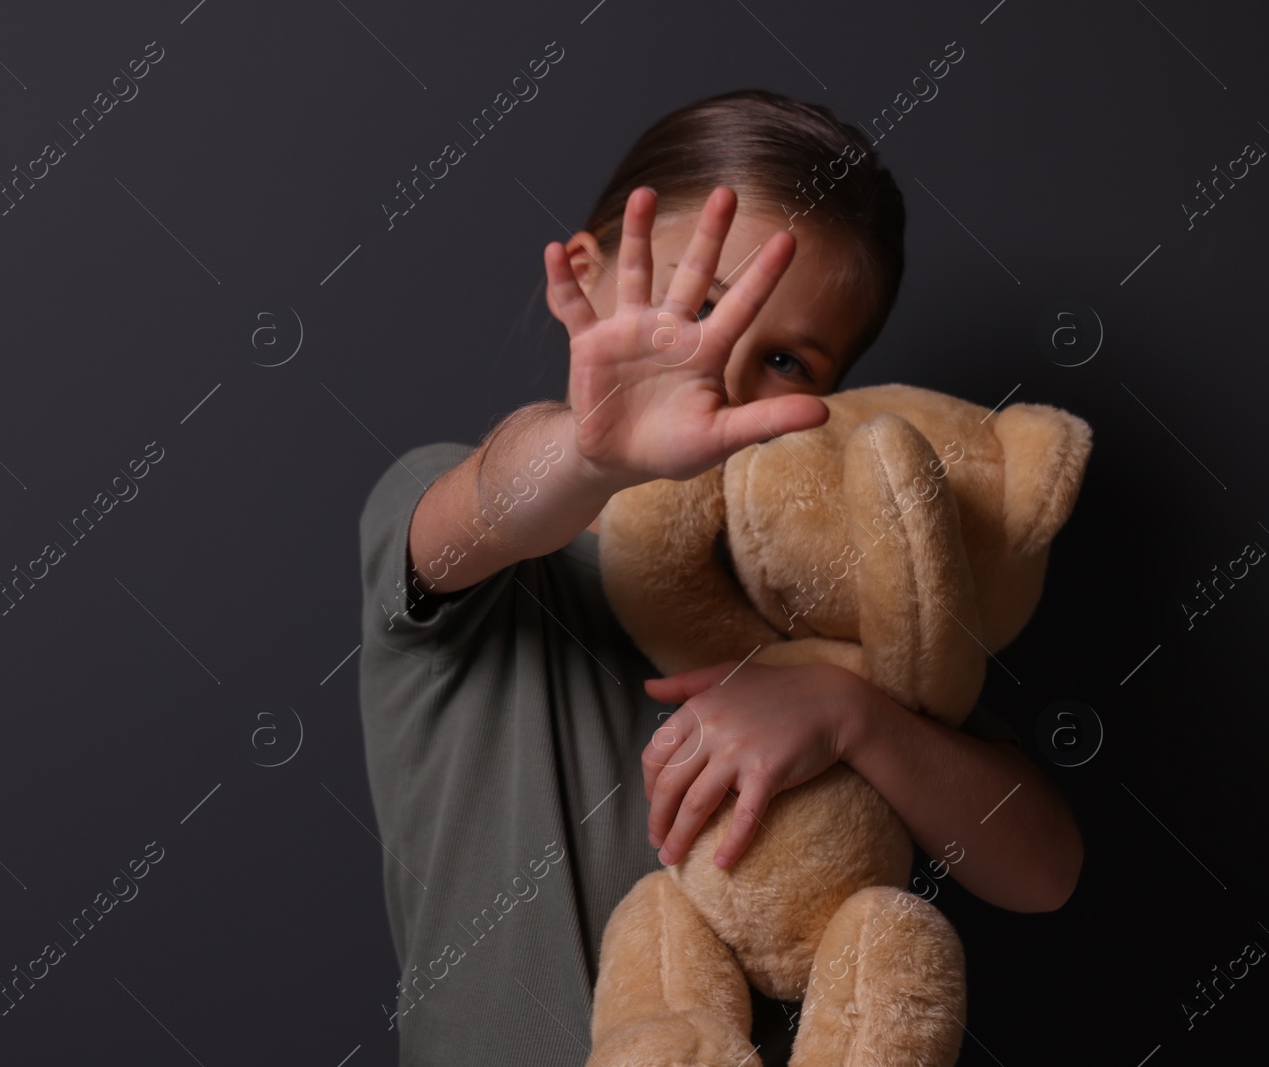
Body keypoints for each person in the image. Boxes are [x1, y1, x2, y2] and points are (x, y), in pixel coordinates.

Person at [357, 89, 1082, 1067]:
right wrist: (594, 451)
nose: (714, 372)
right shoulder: (473, 540)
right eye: (690, 307)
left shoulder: (818, 602)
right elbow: (493, 495)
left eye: (783, 357)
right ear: (586, 270)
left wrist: (851, 713)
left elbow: (1043, 868)